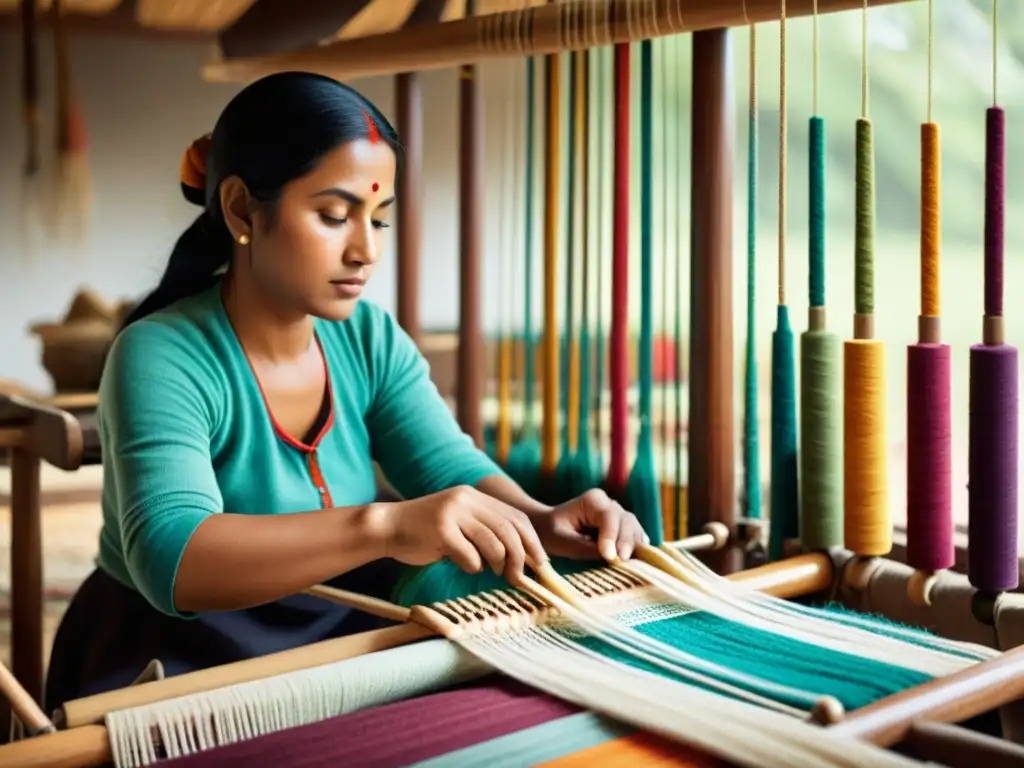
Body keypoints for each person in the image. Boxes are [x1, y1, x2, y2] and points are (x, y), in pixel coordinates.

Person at [45, 72, 647, 714]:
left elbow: (446, 465)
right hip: (174, 654)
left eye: (378, 220)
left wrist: (538, 519)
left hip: (337, 629)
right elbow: (173, 555)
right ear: (243, 209)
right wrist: (385, 525)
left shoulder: (368, 338)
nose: (364, 250)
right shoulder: (161, 353)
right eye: (334, 215)